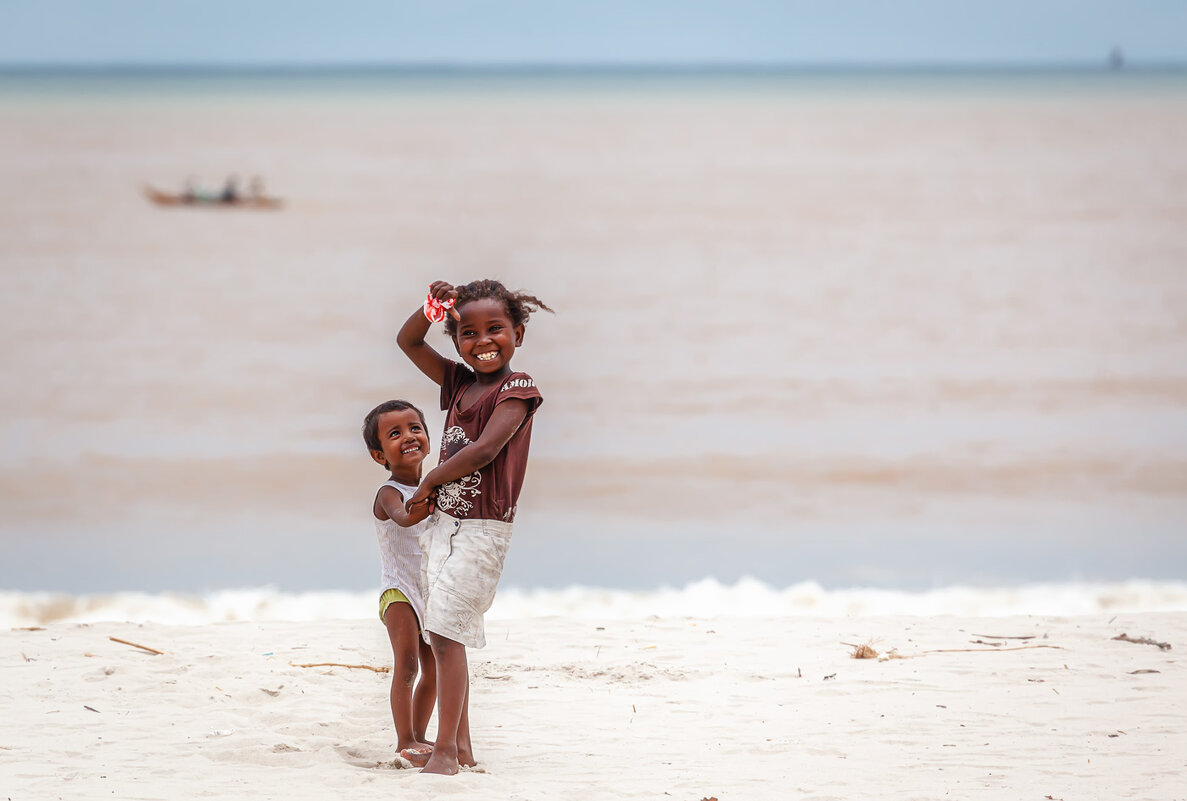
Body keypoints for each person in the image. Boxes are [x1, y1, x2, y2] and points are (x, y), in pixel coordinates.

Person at [396, 279, 552, 775]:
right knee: (443, 630)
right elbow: (409, 342)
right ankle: (460, 747)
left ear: (518, 334)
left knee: (445, 635)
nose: (482, 341)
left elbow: (484, 450)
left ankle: (444, 753)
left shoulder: (517, 390)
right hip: (447, 523)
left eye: (495, 330)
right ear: (457, 340)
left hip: (484, 528)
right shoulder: (460, 383)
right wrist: (432, 308)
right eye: (468, 333)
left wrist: (427, 483)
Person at [362, 399, 438, 762]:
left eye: (415, 428)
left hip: (429, 591)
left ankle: (421, 736)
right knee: (408, 665)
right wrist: (433, 497)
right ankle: (404, 740)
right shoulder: (390, 493)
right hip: (398, 593)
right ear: (380, 456)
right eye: (395, 434)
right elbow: (404, 518)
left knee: (435, 669)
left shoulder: (434, 486)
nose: (408, 436)